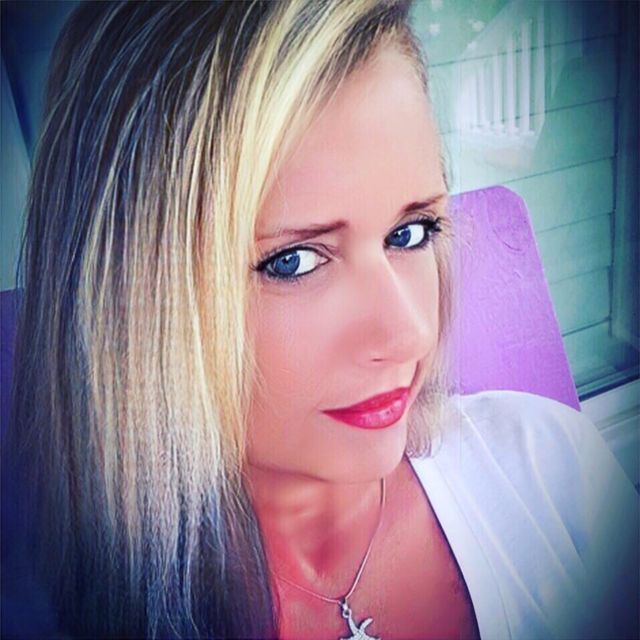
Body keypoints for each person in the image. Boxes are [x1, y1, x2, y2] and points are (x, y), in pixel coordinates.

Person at [1, 1, 637, 639]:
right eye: (294, 261)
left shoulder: (556, 475)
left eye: (411, 233)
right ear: (135, 303)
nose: (409, 334)